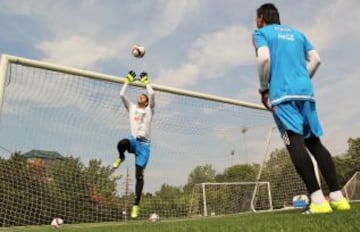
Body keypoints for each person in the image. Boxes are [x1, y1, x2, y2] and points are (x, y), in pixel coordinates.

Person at [252, 3, 350, 214]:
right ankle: (337, 197)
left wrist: (263, 89)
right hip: (305, 92)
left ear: (261, 18)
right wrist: (302, 78)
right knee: (314, 142)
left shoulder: (260, 33)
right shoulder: (297, 33)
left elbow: (264, 58)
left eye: (256, 18)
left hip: (283, 95)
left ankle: (317, 199)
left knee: (294, 142)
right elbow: (316, 59)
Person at [112, 70, 155, 219]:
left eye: (143, 96)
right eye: (140, 96)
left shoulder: (150, 110)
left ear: (147, 101)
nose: (140, 97)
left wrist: (146, 82)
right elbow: (122, 95)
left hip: (145, 146)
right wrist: (128, 80)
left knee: (139, 176)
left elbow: (153, 94)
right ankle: (121, 157)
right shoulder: (131, 108)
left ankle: (136, 205)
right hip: (133, 141)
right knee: (121, 143)